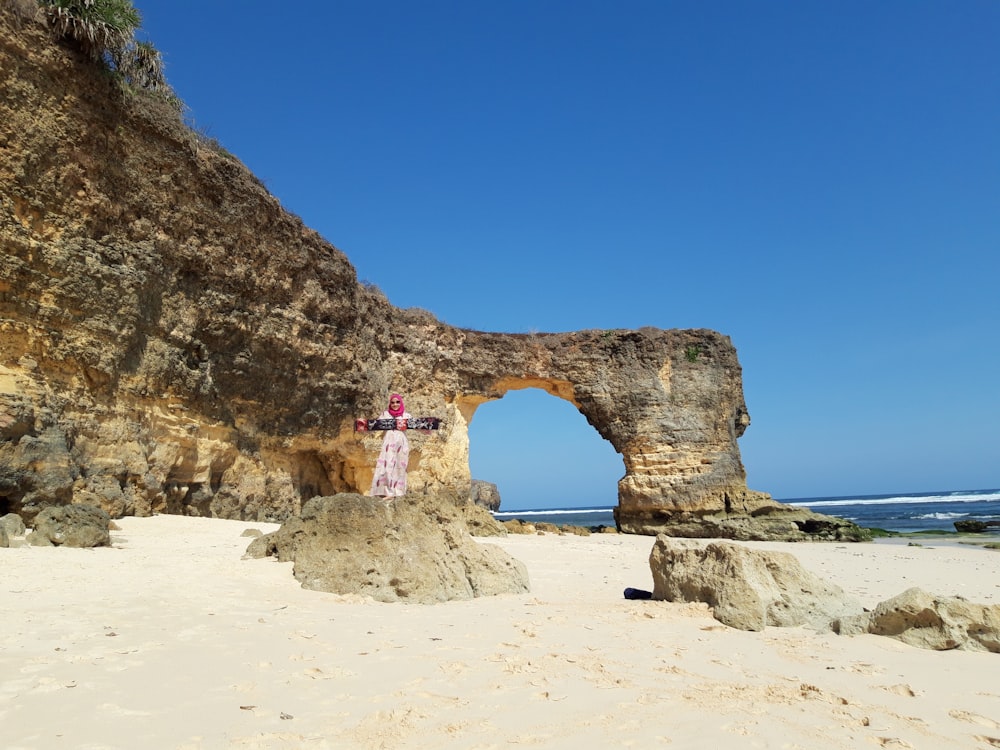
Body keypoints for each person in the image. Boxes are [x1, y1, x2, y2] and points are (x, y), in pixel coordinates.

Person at [369, 394, 411, 499]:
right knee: (386, 467)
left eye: (397, 402)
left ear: (401, 403)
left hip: (401, 445)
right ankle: (388, 492)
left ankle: (399, 492)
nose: (395, 404)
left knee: (400, 468)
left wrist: (430, 425)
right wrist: (363, 424)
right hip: (388, 444)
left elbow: (418, 425)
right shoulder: (385, 414)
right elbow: (375, 425)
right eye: (392, 402)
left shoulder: (406, 415)